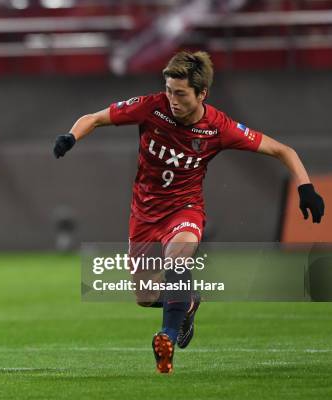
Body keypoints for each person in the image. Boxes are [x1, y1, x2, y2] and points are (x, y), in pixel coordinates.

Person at [53, 50, 324, 374]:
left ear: (201, 94)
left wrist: (305, 187)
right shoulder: (151, 107)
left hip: (185, 210)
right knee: (143, 295)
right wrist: (71, 136)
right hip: (143, 215)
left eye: (180, 94)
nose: (172, 100)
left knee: (176, 260)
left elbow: (283, 150)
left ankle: (166, 338)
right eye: (169, 90)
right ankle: (189, 302)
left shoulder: (218, 127)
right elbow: (94, 118)